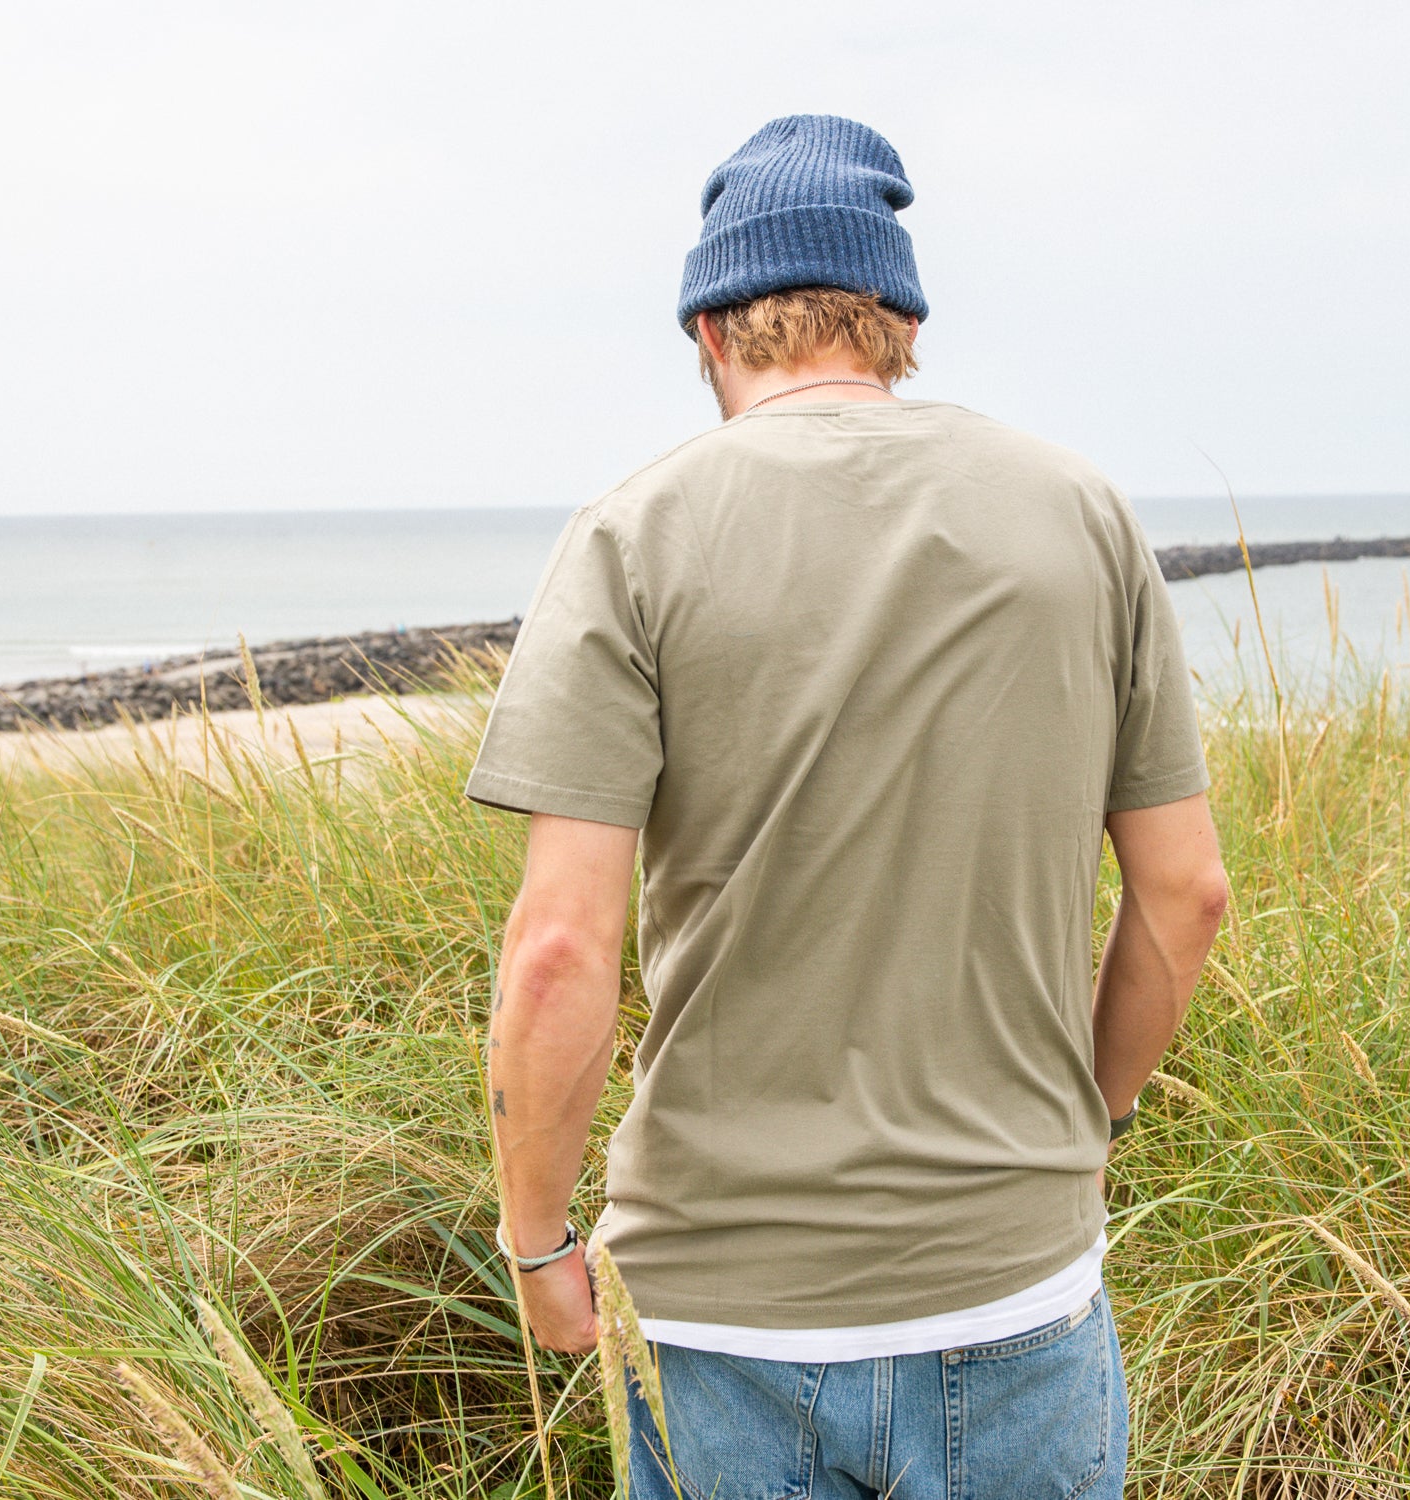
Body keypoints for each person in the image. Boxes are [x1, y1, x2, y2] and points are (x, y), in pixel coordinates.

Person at [465, 114, 1228, 1500]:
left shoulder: (633, 534)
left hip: (721, 1316)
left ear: (708, 327)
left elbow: (559, 950)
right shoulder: (1082, 512)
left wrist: (536, 1241)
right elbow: (1188, 893)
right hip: (1016, 1290)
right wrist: (1083, 1123)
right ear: (899, 323)